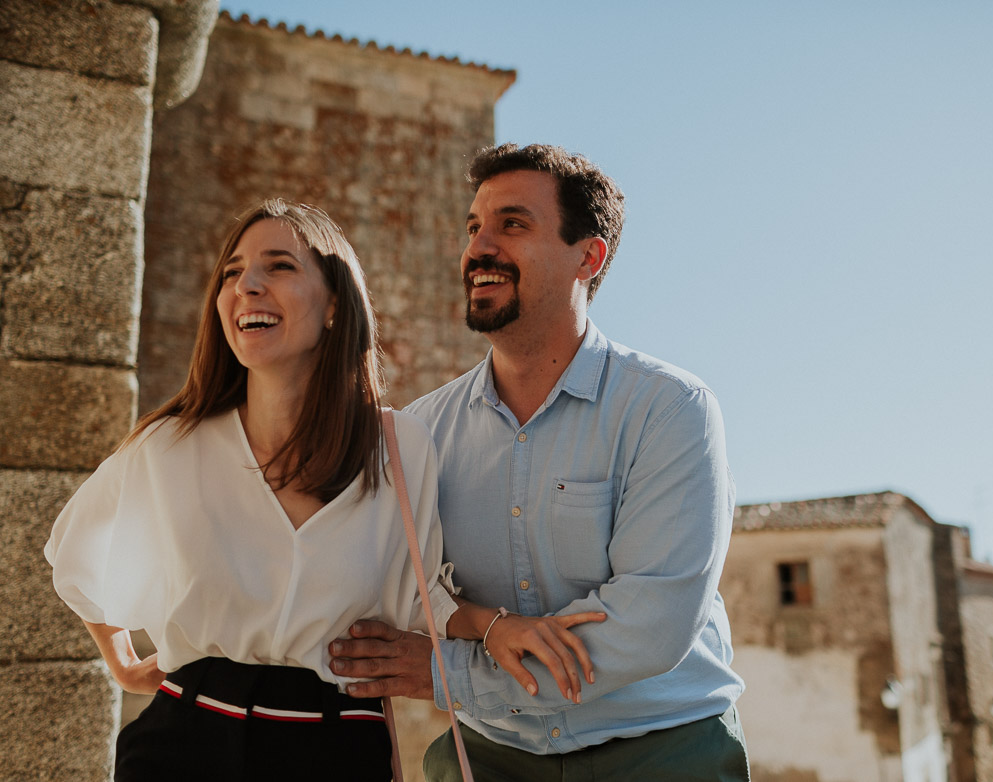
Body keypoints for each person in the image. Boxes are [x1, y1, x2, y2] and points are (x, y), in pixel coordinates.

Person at [44, 199, 603, 781]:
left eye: (279, 266)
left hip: (335, 748)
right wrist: (124, 662)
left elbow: (419, 592)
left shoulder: (400, 446)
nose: (248, 286)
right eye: (232, 273)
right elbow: (77, 548)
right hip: (182, 742)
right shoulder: (169, 444)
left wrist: (495, 626)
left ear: (335, 303)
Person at [329, 144, 750, 781]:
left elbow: (649, 625)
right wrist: (486, 626)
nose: (479, 248)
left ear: (589, 255)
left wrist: (450, 672)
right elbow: (406, 587)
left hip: (662, 751)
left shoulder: (671, 411)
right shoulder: (419, 432)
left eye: (513, 225)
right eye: (474, 227)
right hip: (488, 756)